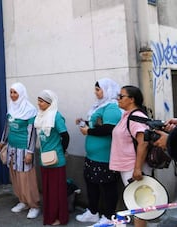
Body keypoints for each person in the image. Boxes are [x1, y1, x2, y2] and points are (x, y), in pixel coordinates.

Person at [75, 78, 122, 225]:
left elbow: (109, 129)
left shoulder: (112, 107)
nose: (96, 92)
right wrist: (85, 123)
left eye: (98, 89)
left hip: (105, 157)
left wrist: (88, 130)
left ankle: (108, 217)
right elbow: (96, 125)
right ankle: (93, 212)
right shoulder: (100, 106)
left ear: (107, 90)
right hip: (93, 156)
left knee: (108, 187)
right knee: (92, 184)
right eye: (96, 89)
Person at [0, 82, 41, 219]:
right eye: (11, 92)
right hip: (12, 148)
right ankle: (23, 201)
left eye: (15, 92)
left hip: (24, 149)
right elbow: (7, 127)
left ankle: (34, 205)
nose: (13, 95)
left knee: (26, 178)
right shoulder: (12, 107)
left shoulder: (30, 110)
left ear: (21, 93)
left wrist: (30, 152)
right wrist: (3, 141)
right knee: (15, 176)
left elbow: (32, 133)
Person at [109, 85, 150, 227]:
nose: (118, 99)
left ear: (131, 99)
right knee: (135, 203)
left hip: (132, 168)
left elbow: (143, 143)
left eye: (121, 96)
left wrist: (137, 169)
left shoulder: (136, 117)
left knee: (139, 204)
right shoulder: (127, 115)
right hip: (127, 168)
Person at [34, 90, 69, 226]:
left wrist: (62, 150)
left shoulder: (56, 116)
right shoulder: (41, 116)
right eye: (38, 100)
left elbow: (65, 136)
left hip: (56, 160)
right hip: (45, 159)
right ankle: (50, 215)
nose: (39, 103)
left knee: (57, 192)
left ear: (50, 103)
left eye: (42, 101)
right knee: (48, 190)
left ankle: (60, 217)